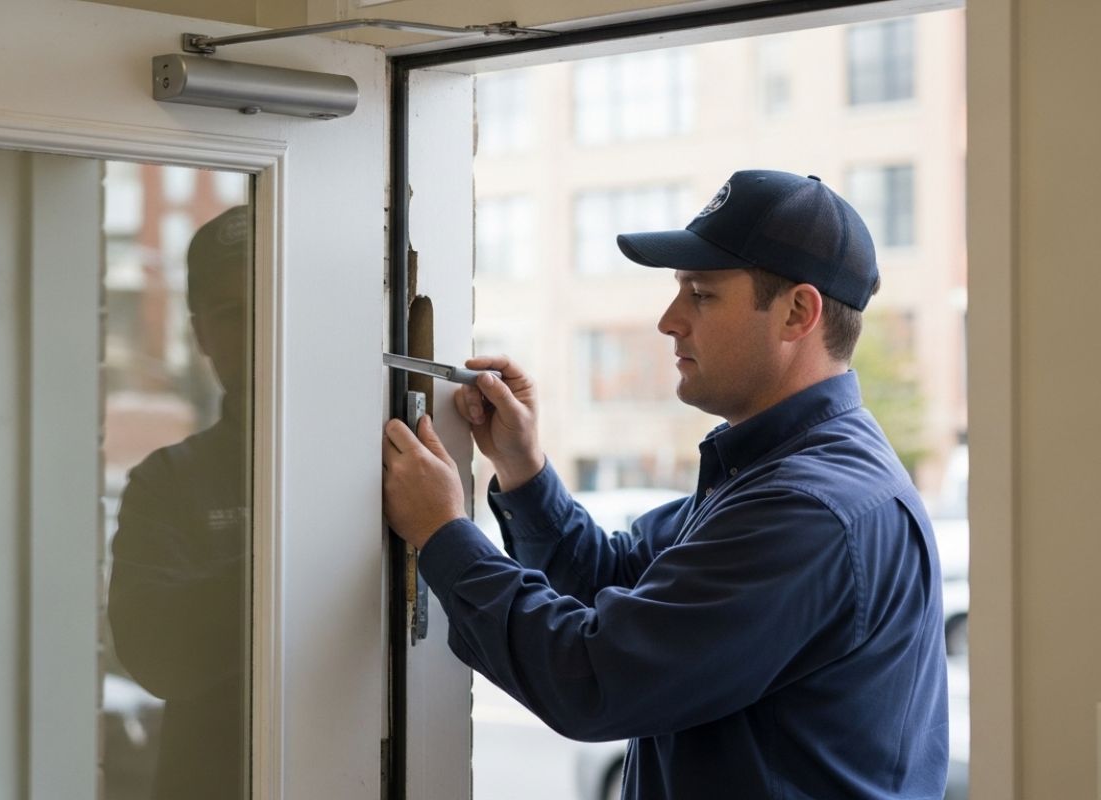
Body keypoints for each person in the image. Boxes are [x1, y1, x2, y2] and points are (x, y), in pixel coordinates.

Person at [382, 170, 949, 799]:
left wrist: (442, 533)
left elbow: (594, 678)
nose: (668, 320)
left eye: (701, 294)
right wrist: (523, 470)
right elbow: (617, 580)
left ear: (797, 313)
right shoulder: (770, 473)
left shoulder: (811, 509)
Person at [108, 205, 250, 800]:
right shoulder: (167, 481)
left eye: (272, 304)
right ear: (201, 335)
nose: (259, 331)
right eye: (234, 314)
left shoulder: (385, 466)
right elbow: (155, 657)